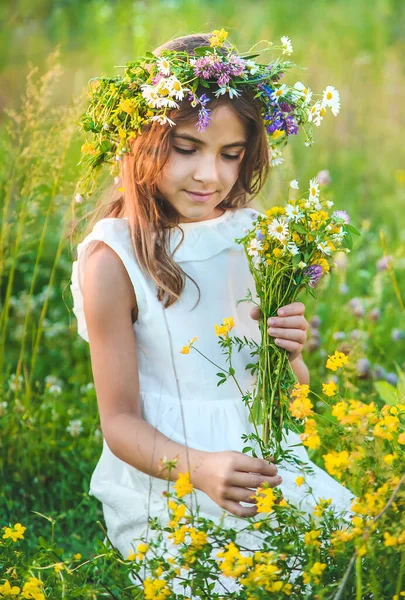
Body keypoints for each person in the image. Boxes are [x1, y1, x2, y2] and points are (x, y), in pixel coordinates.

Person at [70, 31, 354, 594]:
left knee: (352, 551)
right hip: (170, 474)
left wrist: (291, 355)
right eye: (186, 148)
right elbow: (120, 423)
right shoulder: (114, 259)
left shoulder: (251, 235)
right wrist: (199, 469)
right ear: (142, 140)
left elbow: (287, 401)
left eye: (231, 154)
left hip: (261, 456)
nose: (211, 176)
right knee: (223, 583)